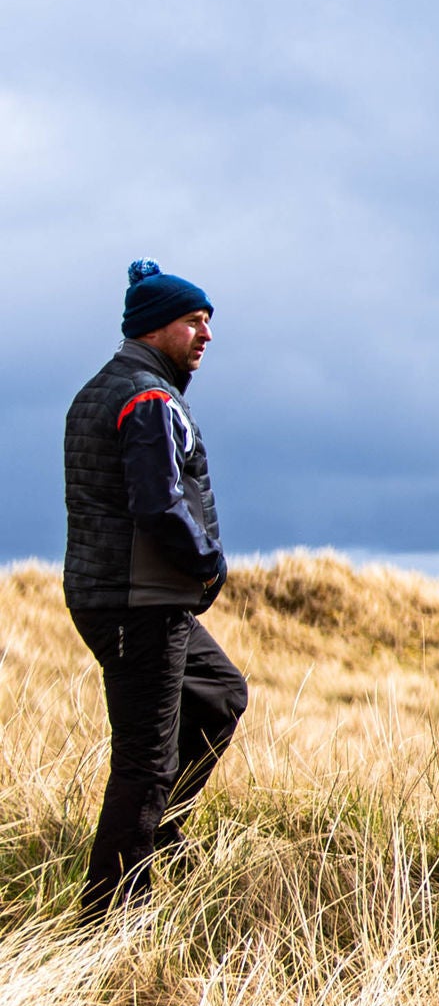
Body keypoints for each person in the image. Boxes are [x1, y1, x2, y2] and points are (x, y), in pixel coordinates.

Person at [62, 260, 248, 922]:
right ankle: (110, 921)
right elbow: (159, 504)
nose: (205, 334)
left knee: (220, 693)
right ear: (154, 327)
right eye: (193, 321)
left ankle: (161, 829)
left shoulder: (107, 388)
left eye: (207, 322)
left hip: (126, 597)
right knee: (143, 760)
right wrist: (208, 565)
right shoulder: (147, 398)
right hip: (140, 602)